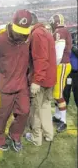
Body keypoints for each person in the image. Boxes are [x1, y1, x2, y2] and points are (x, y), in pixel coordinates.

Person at [0, 9, 32, 152]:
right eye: (18, 31)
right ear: (11, 24)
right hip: (4, 85)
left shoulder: (28, 36)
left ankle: (15, 134)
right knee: (2, 116)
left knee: (24, 111)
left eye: (24, 31)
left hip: (21, 84)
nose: (21, 35)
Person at [25, 13, 57, 146]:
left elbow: (40, 59)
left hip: (41, 79)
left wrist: (36, 80)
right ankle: (49, 134)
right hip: (49, 78)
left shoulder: (36, 34)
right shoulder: (45, 31)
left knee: (36, 109)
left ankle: (36, 137)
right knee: (45, 107)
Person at [49, 14, 72, 132]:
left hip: (61, 65)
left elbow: (58, 52)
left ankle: (64, 121)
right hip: (61, 64)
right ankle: (58, 116)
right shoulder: (63, 30)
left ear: (54, 22)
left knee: (58, 94)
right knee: (56, 93)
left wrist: (53, 65)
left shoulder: (60, 32)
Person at [63, 30, 78, 108]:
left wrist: (72, 46)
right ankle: (62, 113)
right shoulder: (66, 46)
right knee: (66, 91)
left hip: (76, 73)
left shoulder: (73, 46)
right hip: (68, 72)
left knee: (76, 92)